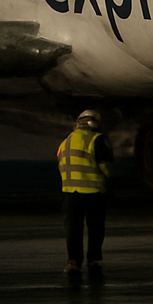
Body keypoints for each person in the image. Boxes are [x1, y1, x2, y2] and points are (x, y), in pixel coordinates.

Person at [57, 108, 113, 280]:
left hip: (69, 193)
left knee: (73, 229)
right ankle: (94, 260)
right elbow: (106, 167)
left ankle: (73, 262)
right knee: (95, 228)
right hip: (93, 192)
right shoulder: (96, 139)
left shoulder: (65, 141)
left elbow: (60, 162)